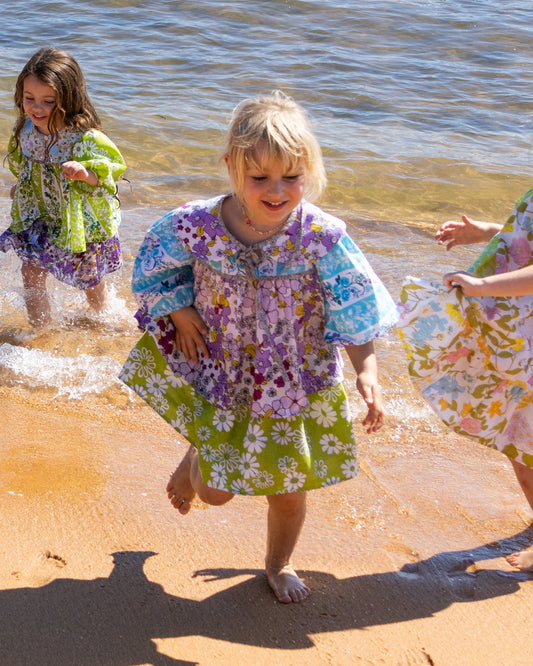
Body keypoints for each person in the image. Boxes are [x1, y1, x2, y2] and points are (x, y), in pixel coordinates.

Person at [120, 91, 398, 603]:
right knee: (215, 494)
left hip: (293, 380)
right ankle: (199, 455)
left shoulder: (322, 236)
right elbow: (154, 268)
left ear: (309, 172)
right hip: (223, 368)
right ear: (231, 167)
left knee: (288, 486)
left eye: (291, 177)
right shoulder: (194, 224)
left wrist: (367, 371)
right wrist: (181, 311)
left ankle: (279, 563)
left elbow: (355, 306)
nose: (277, 191)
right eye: (260, 178)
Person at [398, 189, 533, 572]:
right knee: (518, 434)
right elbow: (524, 237)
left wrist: (483, 286)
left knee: (525, 434)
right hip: (512, 331)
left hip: (519, 327)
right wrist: (488, 232)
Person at [0, 47, 127, 326]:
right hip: (41, 216)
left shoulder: (84, 138)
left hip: (77, 220)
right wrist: (22, 188)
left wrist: (84, 173)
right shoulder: (25, 130)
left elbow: (107, 177)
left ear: (68, 99)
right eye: (29, 98)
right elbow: (26, 166)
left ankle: (109, 321)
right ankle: (41, 330)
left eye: (48, 101)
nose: (36, 108)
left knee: (90, 280)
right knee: (30, 273)